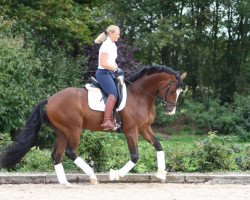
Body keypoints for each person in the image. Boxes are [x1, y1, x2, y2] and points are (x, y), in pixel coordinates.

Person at [94, 25, 124, 131]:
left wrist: (117, 69)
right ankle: (106, 121)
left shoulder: (113, 45)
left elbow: (112, 61)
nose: (119, 36)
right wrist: (115, 69)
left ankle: (116, 118)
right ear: (111, 33)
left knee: (120, 92)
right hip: (103, 74)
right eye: (117, 33)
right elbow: (103, 63)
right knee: (113, 94)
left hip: (110, 73)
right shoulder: (106, 45)